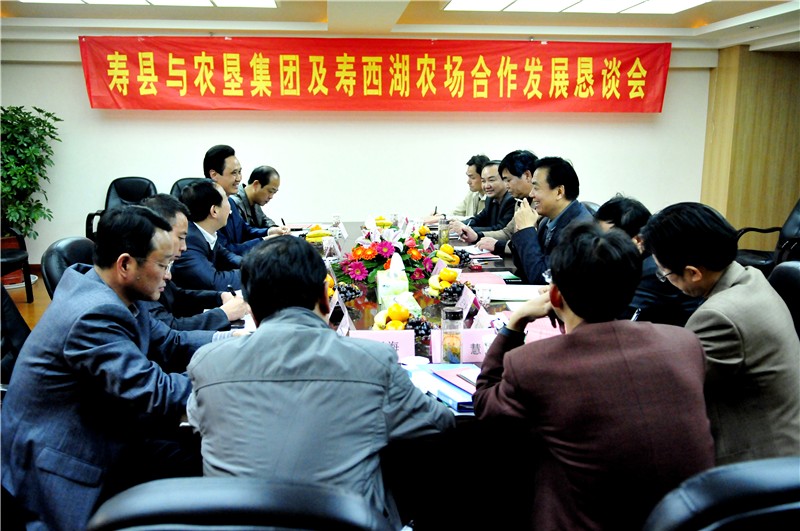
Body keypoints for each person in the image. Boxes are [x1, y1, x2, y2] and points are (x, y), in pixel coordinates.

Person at [186, 236, 455, 530]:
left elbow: (199, 422)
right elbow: (439, 423)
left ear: (251, 310)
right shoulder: (372, 361)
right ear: (325, 298)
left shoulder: (208, 363)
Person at [473, 222, 715, 531]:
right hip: (685, 521)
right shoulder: (684, 343)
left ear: (555, 295)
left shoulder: (534, 364)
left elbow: (485, 405)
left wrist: (515, 322)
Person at [1, 206, 215, 531]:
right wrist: (233, 381)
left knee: (200, 455)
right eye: (163, 265)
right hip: (66, 460)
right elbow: (154, 391)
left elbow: (171, 342)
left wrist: (239, 344)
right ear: (125, 264)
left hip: (109, 426)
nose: (170, 275)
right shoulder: (93, 314)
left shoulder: (115, 291)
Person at [641, 202, 800, 464]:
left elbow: (666, 392)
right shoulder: (752, 277)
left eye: (665, 274)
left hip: (759, 463)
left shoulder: (717, 316)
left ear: (693, 273)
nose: (664, 278)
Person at [140, 193, 249, 331]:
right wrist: (223, 314)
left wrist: (220, 297)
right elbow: (169, 330)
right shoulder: (142, 270)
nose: (184, 247)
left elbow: (177, 295)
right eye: (180, 238)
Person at [595, 194, 702, 325]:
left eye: (608, 239)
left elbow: (617, 317)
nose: (598, 245)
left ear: (638, 240)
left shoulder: (653, 270)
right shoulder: (638, 261)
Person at [510, 156, 593, 284]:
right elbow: (524, 268)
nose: (531, 194)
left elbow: (542, 278)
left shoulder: (580, 229)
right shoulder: (546, 221)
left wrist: (527, 230)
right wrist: (521, 229)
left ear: (559, 192)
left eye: (536, 188)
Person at [204, 144, 288, 256]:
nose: (239, 178)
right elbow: (226, 251)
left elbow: (245, 230)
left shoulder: (230, 202)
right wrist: (264, 241)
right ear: (214, 175)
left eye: (239, 172)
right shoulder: (206, 209)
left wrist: (270, 231)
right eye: (234, 173)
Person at [458, 149, 538, 253]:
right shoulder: (521, 202)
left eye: (508, 180)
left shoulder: (539, 204)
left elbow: (532, 246)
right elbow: (507, 233)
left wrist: (498, 245)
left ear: (527, 176)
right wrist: (477, 236)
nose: (506, 185)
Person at [171, 180, 243, 291]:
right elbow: (215, 282)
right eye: (227, 199)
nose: (230, 206)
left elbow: (228, 257)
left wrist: (256, 264)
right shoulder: (189, 241)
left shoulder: (205, 232)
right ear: (214, 211)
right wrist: (255, 272)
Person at [449, 160, 514, 236]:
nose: (486, 186)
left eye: (491, 180)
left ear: (505, 179)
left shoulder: (511, 200)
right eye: (483, 181)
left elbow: (500, 229)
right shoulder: (490, 199)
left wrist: (466, 229)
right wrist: (458, 225)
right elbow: (478, 219)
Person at [424, 154, 489, 224]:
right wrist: (441, 216)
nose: (468, 182)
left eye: (472, 177)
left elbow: (476, 219)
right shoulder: (472, 194)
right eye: (468, 177)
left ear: (483, 177)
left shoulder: (491, 198)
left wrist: (444, 218)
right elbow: (456, 213)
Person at [231, 165, 286, 234]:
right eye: (270, 191)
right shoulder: (234, 203)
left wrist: (276, 229)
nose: (271, 197)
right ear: (256, 184)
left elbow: (265, 221)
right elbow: (245, 233)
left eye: (274, 193)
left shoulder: (255, 201)